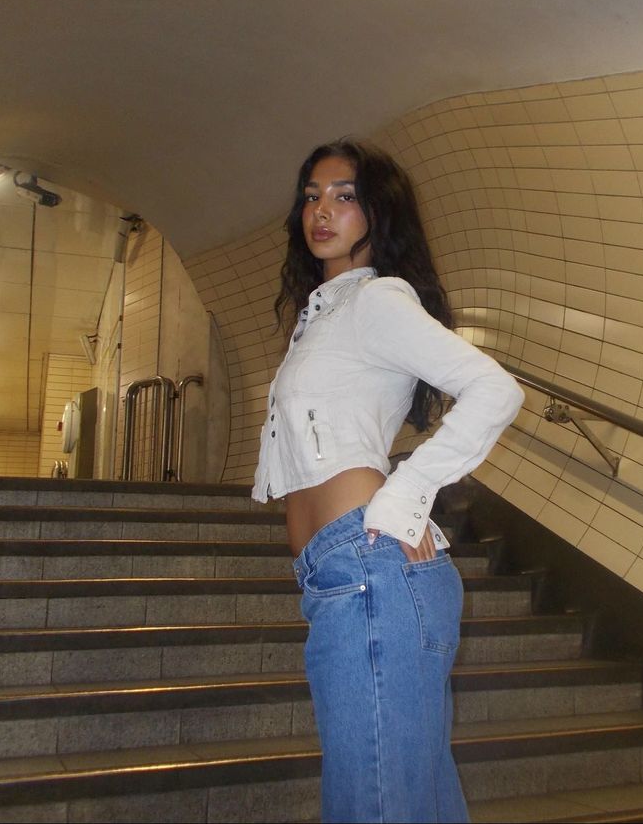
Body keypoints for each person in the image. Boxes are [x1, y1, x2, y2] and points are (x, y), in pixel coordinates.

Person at [252, 139, 524, 824]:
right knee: (407, 803)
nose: (322, 210)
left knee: (373, 806)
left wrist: (407, 491)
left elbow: (493, 389)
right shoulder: (324, 314)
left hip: (369, 566)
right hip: (345, 576)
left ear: (377, 210)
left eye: (344, 195)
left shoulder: (375, 299)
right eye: (311, 195)